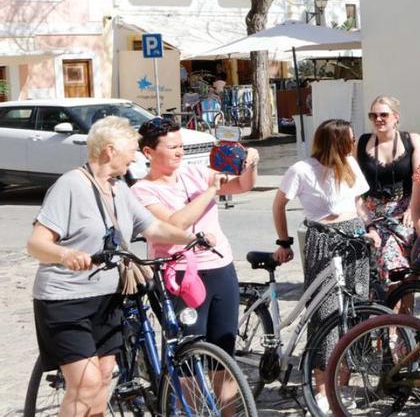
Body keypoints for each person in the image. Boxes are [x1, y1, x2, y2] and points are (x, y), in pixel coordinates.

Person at [27, 117, 217, 416]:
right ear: (109, 151)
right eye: (131, 149)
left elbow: (153, 227)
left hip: (108, 298)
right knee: (85, 385)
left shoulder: (118, 189)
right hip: (65, 301)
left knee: (104, 379)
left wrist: (191, 237)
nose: (136, 155)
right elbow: (36, 244)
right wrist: (65, 255)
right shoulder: (70, 186)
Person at [131, 117, 259, 359]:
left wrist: (250, 164)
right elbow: (176, 222)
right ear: (148, 152)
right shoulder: (142, 190)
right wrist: (211, 190)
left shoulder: (195, 173)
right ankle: (183, 396)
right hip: (179, 274)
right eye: (172, 148)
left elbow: (241, 186)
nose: (179, 153)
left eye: (181, 146)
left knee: (224, 352)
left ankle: (227, 399)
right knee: (188, 354)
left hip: (220, 266)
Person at [272, 118, 377, 404]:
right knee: (325, 311)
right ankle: (322, 389)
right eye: (350, 140)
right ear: (338, 141)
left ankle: (341, 385)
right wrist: (283, 241)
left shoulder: (350, 164)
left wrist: (370, 228)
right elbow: (279, 203)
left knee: (355, 308)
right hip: (323, 238)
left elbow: (357, 203)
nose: (355, 145)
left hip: (354, 236)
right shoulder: (302, 170)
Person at [357, 96, 420, 294]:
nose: (378, 119)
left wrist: (413, 208)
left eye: (383, 115)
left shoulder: (411, 140)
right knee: (393, 271)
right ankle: (392, 323)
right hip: (375, 213)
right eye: (373, 115)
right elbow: (353, 180)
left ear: (395, 117)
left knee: (409, 274)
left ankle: (404, 320)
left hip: (407, 208)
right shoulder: (363, 143)